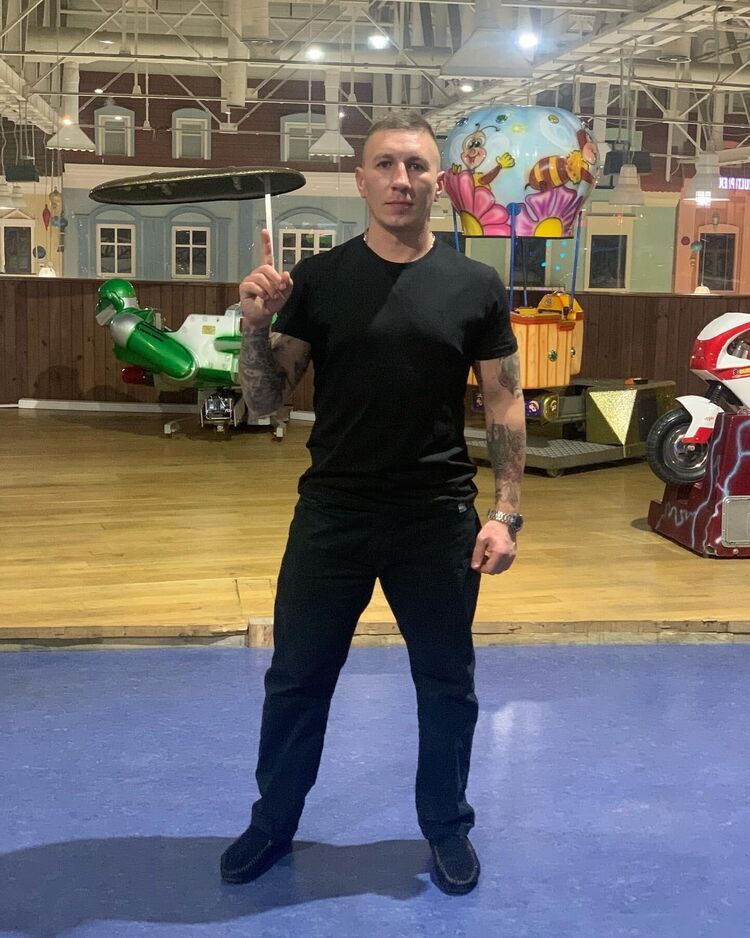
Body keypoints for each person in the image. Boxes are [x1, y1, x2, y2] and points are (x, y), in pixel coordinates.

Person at [220, 112, 526, 896]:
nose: (401, 180)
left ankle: (447, 826)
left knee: (447, 684)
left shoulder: (475, 285)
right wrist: (254, 325)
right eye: (386, 164)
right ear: (360, 180)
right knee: (297, 679)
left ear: (438, 183)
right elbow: (266, 402)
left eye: (416, 166)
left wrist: (506, 512)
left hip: (437, 518)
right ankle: (272, 823)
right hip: (334, 515)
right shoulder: (319, 281)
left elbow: (503, 402)